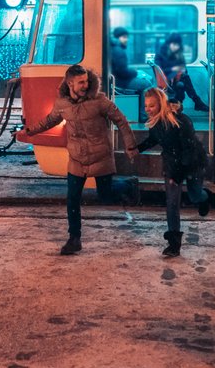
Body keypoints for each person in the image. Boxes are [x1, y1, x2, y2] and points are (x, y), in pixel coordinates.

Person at [23, 65, 139, 255]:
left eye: (87, 81)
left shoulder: (99, 101)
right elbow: (49, 120)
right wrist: (28, 131)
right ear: (70, 83)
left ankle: (129, 185)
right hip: (77, 158)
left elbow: (121, 120)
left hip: (100, 155)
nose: (86, 85)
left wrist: (130, 145)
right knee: (73, 199)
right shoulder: (62, 103)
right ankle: (74, 239)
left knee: (105, 196)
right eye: (81, 82)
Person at [136, 86, 210, 258]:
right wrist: (137, 149)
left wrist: (176, 176)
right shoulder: (155, 123)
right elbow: (154, 139)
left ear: (161, 105)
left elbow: (188, 151)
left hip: (192, 163)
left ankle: (205, 197)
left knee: (194, 195)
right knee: (172, 203)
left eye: (151, 106)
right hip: (172, 163)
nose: (148, 109)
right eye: (146, 105)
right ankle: (174, 244)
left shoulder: (181, 121)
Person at [155, 33, 208, 112]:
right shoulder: (161, 54)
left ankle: (195, 102)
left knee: (183, 80)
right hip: (166, 80)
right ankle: (196, 101)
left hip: (174, 78)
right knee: (183, 80)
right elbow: (162, 70)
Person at [110, 27, 151, 92]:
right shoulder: (118, 51)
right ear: (117, 38)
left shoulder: (112, 48)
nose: (126, 39)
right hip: (120, 82)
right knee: (147, 83)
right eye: (124, 37)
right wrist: (135, 72)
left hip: (115, 80)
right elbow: (123, 72)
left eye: (127, 37)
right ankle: (143, 102)